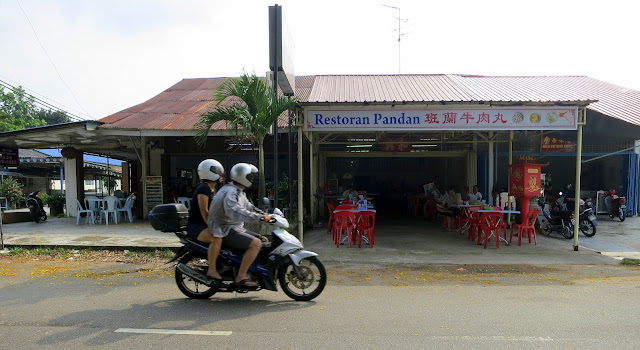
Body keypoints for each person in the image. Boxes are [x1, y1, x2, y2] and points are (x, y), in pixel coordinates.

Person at [208, 163, 271, 288]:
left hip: (233, 227)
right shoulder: (231, 191)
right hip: (223, 228)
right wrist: (259, 218)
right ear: (242, 176)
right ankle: (241, 277)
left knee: (262, 240)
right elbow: (235, 210)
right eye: (250, 177)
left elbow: (250, 207)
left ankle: (248, 270)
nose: (251, 180)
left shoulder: (239, 192)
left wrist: (266, 215)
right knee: (256, 243)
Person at [185, 159, 225, 280]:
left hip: (204, 225)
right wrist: (212, 227)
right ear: (210, 173)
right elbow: (204, 210)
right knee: (216, 238)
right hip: (196, 226)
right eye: (217, 171)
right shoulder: (203, 188)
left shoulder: (213, 189)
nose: (220, 174)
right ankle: (212, 270)